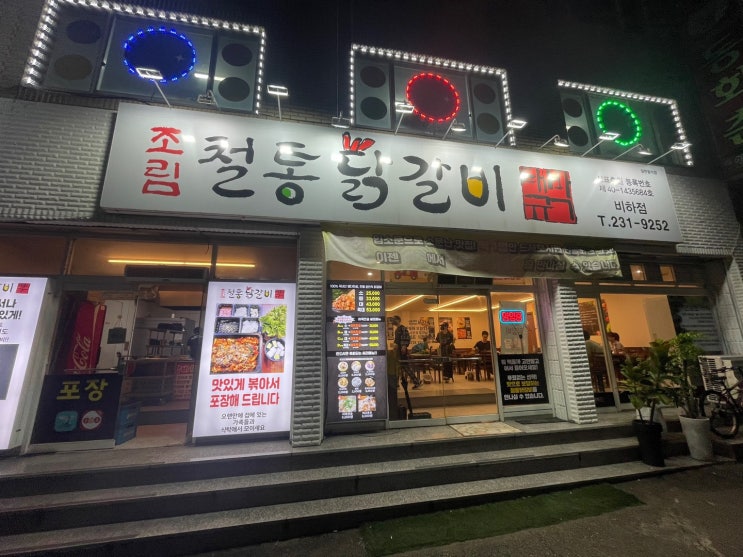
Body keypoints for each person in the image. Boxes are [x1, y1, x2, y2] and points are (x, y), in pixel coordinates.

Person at [391, 315, 421, 388]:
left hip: (402, 351)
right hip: (397, 351)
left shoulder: (402, 328)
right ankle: (397, 384)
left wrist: (404, 346)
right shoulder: (397, 330)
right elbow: (397, 341)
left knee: (405, 367)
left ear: (398, 320)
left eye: (393, 320)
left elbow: (407, 338)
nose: (392, 321)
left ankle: (416, 381)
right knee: (398, 367)